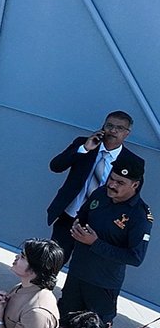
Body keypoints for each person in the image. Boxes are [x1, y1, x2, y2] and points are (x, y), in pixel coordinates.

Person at [59, 154, 150, 328]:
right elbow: (82, 215)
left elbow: (135, 257)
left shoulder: (140, 216)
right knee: (65, 325)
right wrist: (77, 226)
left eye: (120, 183)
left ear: (135, 185)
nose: (112, 185)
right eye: (112, 178)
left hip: (103, 285)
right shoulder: (100, 194)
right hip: (77, 275)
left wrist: (95, 243)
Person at [44, 110, 141, 260]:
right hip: (70, 216)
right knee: (52, 261)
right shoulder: (83, 144)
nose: (113, 131)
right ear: (103, 127)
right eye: (109, 125)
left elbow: (131, 198)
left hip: (98, 225)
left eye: (119, 128)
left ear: (127, 133)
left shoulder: (132, 161)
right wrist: (84, 149)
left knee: (83, 266)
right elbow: (56, 166)